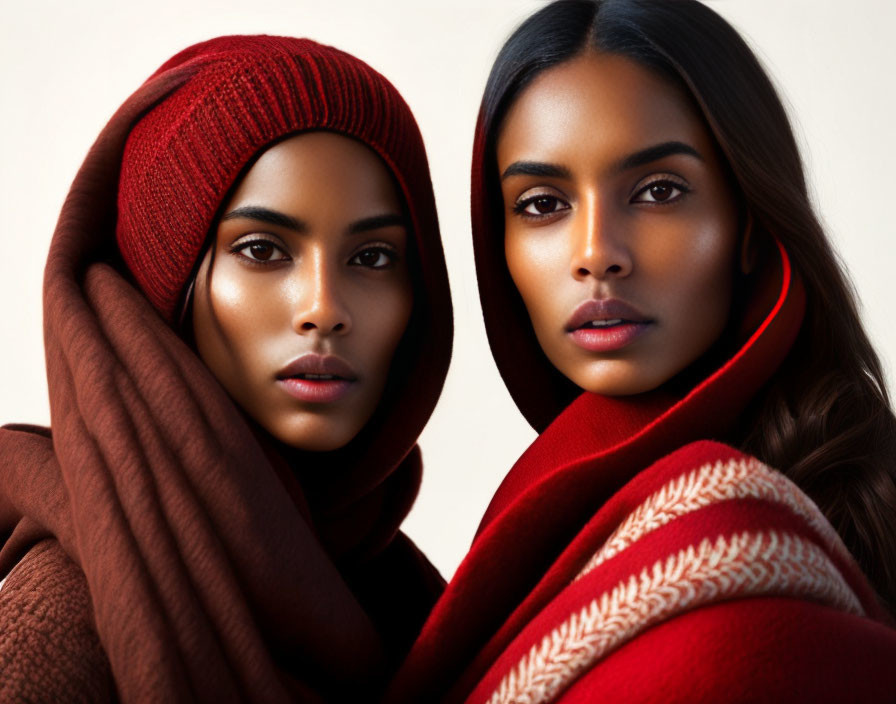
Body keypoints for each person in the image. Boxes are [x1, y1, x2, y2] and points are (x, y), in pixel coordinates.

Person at [386, 1, 896, 702]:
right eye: (541, 203)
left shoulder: (751, 551)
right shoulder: (552, 515)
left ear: (749, 220)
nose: (597, 253)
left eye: (658, 191)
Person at [0, 35, 452, 702]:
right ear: (164, 284)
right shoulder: (65, 628)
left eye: (373, 257)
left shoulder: (406, 606)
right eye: (263, 249)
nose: (324, 309)